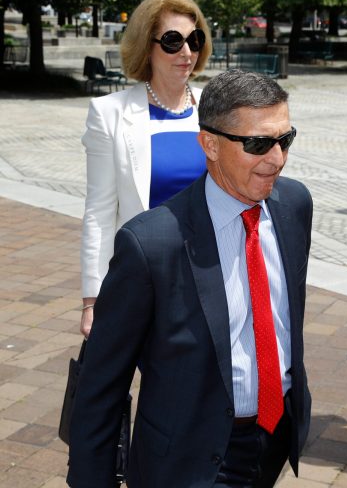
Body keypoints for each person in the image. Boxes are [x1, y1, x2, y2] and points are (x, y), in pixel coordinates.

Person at [67, 70, 312, 487]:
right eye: (258, 144)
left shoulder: (294, 205)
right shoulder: (151, 244)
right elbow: (102, 384)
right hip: (190, 459)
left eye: (284, 140)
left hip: (275, 438)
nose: (277, 159)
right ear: (210, 144)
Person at [80, 0, 212, 338]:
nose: (187, 52)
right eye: (173, 41)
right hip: (145, 279)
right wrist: (92, 299)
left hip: (210, 275)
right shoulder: (109, 113)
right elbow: (99, 211)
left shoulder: (216, 108)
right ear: (146, 47)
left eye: (194, 40)